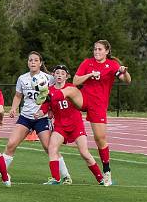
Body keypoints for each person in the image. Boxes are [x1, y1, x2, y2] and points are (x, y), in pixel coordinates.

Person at [38, 40, 131, 186]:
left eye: (100, 49)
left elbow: (127, 80)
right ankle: (48, 95)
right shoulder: (88, 62)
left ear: (107, 51)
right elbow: (75, 81)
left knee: (100, 138)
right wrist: (89, 75)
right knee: (71, 90)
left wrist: (125, 72)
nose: (96, 52)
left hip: (98, 105)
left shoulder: (112, 65)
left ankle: (106, 171)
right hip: (84, 98)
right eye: (95, 49)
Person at [3, 51, 72, 184]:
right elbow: (18, 96)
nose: (33, 62)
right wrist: (13, 108)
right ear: (28, 62)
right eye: (30, 60)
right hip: (25, 117)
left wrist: (52, 110)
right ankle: (2, 172)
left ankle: (65, 175)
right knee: (11, 144)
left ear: (40, 63)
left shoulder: (49, 78)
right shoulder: (22, 78)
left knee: (49, 147)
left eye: (35, 60)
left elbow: (56, 92)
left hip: (42, 118)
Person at [35, 65, 104, 185]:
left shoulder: (71, 88)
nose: (59, 75)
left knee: (84, 153)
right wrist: (39, 113)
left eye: (62, 73)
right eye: (57, 73)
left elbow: (80, 103)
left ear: (67, 76)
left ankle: (101, 178)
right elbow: (45, 108)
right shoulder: (49, 90)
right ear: (53, 75)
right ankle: (55, 178)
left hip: (76, 125)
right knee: (52, 148)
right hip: (60, 126)